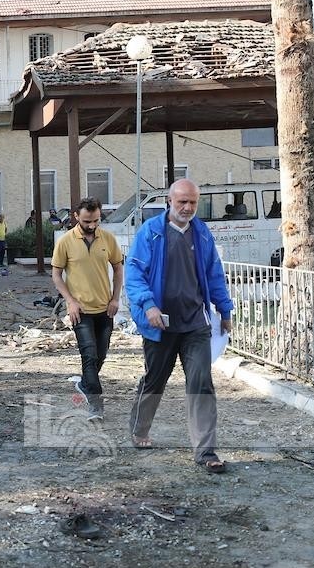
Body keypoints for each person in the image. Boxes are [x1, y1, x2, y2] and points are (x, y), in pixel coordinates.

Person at [125, 179, 234, 473]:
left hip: (195, 324)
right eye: (181, 202)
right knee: (155, 380)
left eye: (192, 203)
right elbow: (134, 273)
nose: (187, 208)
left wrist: (224, 309)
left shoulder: (201, 234)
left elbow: (214, 273)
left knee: (200, 381)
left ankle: (206, 451)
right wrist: (148, 305)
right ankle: (139, 429)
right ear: (169, 202)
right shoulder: (151, 233)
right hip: (159, 324)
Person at [50, 197, 123, 421]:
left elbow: (118, 269)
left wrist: (115, 299)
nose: (91, 225)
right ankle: (96, 405)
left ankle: (84, 384)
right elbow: (56, 275)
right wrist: (70, 301)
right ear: (76, 217)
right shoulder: (65, 241)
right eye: (86, 221)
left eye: (95, 221)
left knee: (100, 356)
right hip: (80, 311)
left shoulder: (108, 239)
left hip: (105, 309)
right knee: (89, 356)